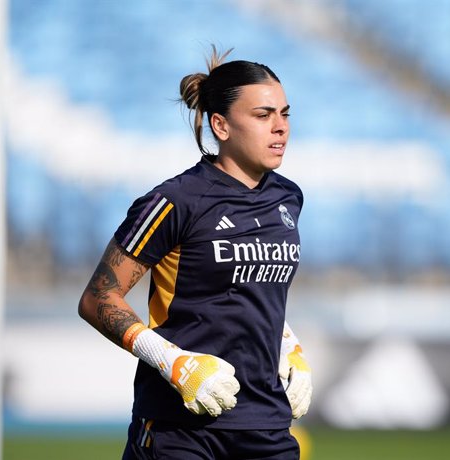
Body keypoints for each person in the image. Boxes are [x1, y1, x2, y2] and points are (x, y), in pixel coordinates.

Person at [78, 46, 312, 460]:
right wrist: (173, 364)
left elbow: (251, 291)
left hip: (266, 426)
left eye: (285, 113)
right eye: (263, 115)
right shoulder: (175, 201)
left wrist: (288, 345)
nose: (280, 128)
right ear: (220, 125)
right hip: (180, 430)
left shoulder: (288, 198)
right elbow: (98, 299)